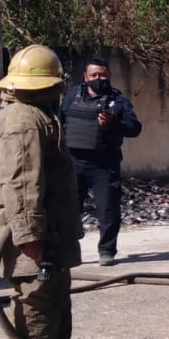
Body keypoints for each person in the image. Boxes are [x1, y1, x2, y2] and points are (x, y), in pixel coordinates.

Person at [0, 45, 88, 339]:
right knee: (36, 296)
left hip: (51, 227)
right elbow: (22, 182)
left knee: (55, 291)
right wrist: (30, 237)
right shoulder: (23, 122)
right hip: (33, 230)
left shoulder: (34, 114)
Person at [61, 57, 142, 267]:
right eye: (94, 75)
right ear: (85, 77)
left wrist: (114, 123)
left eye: (102, 75)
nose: (98, 79)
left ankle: (106, 251)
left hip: (104, 164)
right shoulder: (72, 96)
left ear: (108, 76)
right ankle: (69, 251)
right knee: (69, 209)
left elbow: (134, 128)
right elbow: (59, 121)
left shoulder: (118, 100)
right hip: (74, 162)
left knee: (108, 210)